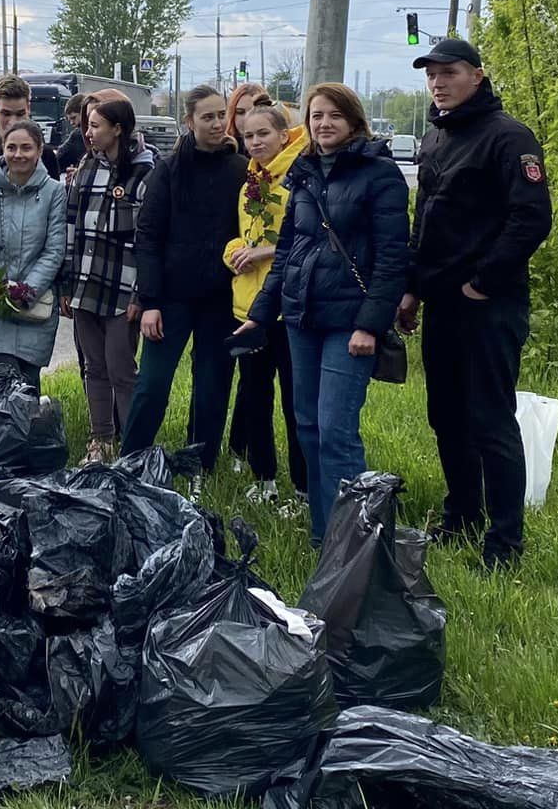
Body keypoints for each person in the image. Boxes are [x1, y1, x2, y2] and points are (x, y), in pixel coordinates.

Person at [400, 37, 552, 569]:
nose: (438, 82)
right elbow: (426, 221)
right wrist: (412, 287)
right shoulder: (435, 138)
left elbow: (531, 219)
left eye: (450, 72)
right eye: (431, 75)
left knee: (490, 418)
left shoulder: (509, 138)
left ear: (478, 75)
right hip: (442, 302)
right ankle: (461, 515)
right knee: (446, 416)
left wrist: (484, 282)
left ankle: (505, 541)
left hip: (490, 303)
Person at [237, 83, 408, 545]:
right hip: (301, 317)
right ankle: (322, 536)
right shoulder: (306, 174)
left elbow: (394, 259)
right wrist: (261, 312)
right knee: (308, 426)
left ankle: (357, 543)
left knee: (335, 429)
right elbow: (291, 250)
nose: (324, 124)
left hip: (349, 322)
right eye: (316, 116)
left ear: (353, 120)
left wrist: (370, 324)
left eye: (334, 115)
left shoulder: (380, 175)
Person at [123, 86, 246, 484]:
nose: (214, 124)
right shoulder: (168, 170)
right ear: (189, 122)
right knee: (152, 385)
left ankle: (199, 466)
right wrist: (150, 300)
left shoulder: (240, 171)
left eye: (219, 116)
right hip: (170, 299)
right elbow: (148, 236)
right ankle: (132, 463)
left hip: (220, 301)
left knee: (212, 388)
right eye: (205, 117)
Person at [223, 100, 309, 503]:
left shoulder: (299, 179)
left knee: (296, 402)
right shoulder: (247, 185)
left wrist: (264, 253)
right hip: (248, 307)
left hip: (289, 308)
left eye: (263, 134)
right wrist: (237, 251)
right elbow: (242, 234)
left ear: (283, 135)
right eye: (249, 136)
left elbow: (305, 241)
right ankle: (264, 478)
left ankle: (305, 485)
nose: (255, 142)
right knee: (254, 394)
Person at [61, 97, 156, 464]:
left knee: (121, 368)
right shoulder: (85, 167)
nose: (88, 131)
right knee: (93, 367)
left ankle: (133, 449)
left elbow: (146, 240)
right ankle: (101, 440)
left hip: (122, 288)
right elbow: (71, 227)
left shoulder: (144, 172)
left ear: (118, 129)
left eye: (96, 125)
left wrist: (140, 294)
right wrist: (67, 285)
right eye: (87, 124)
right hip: (86, 284)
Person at [0, 76, 63, 380]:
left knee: (27, 381)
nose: (12, 121)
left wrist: (29, 286)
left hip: (34, 286)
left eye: (20, 114)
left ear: (29, 111)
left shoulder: (47, 165)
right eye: (6, 114)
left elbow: (54, 239)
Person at [55, 92, 89, 168]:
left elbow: (60, 156)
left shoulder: (78, 134)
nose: (71, 123)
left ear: (84, 112)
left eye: (73, 118)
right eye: (69, 119)